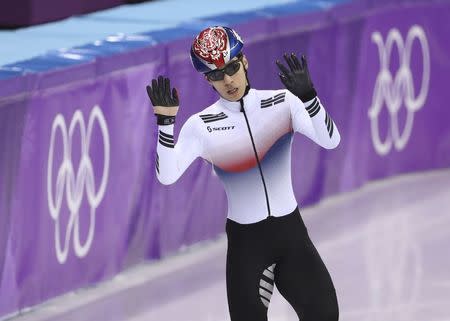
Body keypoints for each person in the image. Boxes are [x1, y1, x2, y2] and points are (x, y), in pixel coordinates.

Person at [146, 26, 340, 321]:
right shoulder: (202, 125)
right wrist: (165, 124)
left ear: (245, 61)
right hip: (248, 245)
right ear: (207, 80)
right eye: (216, 75)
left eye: (232, 68)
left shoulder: (283, 103)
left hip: (292, 235)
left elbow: (331, 140)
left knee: (325, 315)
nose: (227, 80)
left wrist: (310, 98)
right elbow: (167, 176)